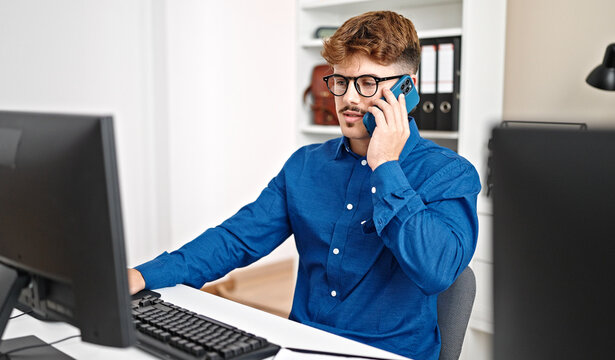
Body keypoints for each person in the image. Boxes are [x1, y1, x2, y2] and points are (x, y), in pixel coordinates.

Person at [128, 11, 480, 360]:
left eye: (369, 83)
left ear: (409, 88)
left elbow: (436, 272)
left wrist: (386, 165)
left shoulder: (449, 173)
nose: (350, 99)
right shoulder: (305, 165)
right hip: (298, 344)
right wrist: (143, 276)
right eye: (341, 81)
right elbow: (236, 239)